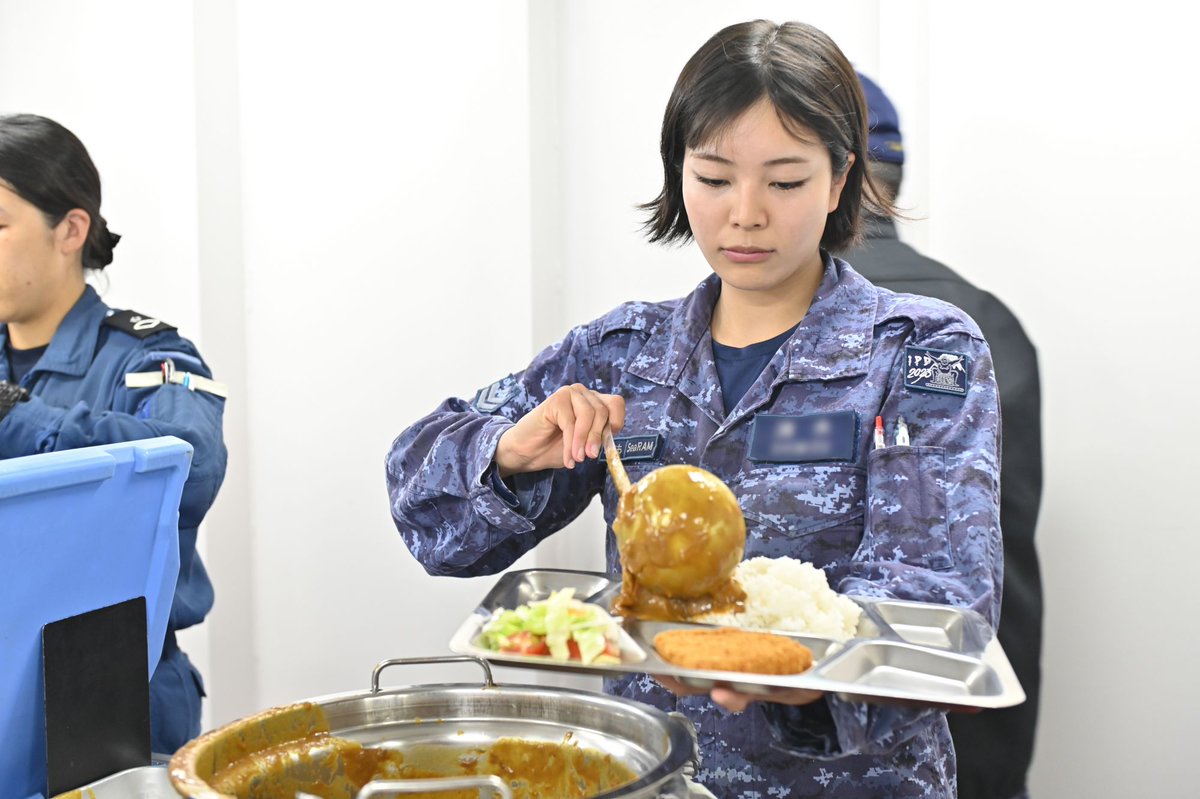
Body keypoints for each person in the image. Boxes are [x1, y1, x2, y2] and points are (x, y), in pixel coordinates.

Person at [387, 20, 1001, 798]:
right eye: (713, 179)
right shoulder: (624, 353)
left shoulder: (916, 352)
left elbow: (939, 600)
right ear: (679, 174)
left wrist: (801, 677)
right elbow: (425, 510)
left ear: (840, 179)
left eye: (784, 182)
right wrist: (507, 451)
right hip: (656, 778)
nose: (745, 213)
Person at [841, 73, 1043, 799]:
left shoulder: (773, 329)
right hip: (987, 741)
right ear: (893, 183)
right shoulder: (993, 322)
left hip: (833, 759)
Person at [0, 114, 227, 753]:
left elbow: (193, 465)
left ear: (70, 230)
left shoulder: (144, 356)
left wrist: (10, 417)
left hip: (106, 694)